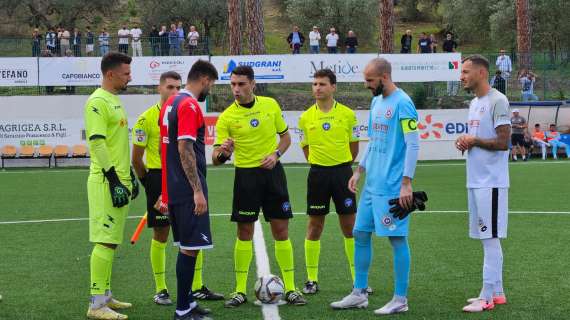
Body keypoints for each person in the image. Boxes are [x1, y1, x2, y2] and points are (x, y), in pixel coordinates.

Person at [331, 57, 420, 315]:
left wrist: (406, 182)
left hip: (393, 186)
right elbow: (373, 139)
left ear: (384, 77)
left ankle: (400, 299)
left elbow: (413, 144)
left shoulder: (404, 103)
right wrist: (359, 170)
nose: (367, 85)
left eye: (370, 80)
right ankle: (359, 293)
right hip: (372, 185)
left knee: (396, 238)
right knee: (359, 233)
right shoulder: (375, 102)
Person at [212, 65, 307, 307]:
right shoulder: (226, 118)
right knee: (244, 233)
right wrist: (224, 152)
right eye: (233, 84)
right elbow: (216, 159)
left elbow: (285, 138)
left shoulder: (270, 105)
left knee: (281, 231)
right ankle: (239, 290)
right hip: (245, 177)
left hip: (273, 175)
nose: (236, 89)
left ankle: (292, 288)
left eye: (241, 84)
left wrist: (275, 154)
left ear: (253, 84)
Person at [132, 70, 224, 307]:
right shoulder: (151, 117)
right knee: (165, 236)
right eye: (169, 87)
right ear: (159, 89)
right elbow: (141, 157)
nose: (173, 91)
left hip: (172, 180)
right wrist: (152, 186)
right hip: (164, 179)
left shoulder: (172, 108)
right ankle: (162, 289)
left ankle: (195, 289)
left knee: (191, 241)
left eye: (176, 87)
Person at [158, 60, 219, 320]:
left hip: (173, 188)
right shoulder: (190, 104)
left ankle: (188, 303)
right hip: (186, 189)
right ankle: (183, 309)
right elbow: (183, 148)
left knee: (186, 245)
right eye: (212, 84)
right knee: (189, 248)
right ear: (204, 79)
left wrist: (165, 191)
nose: (210, 90)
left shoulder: (169, 103)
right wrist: (197, 190)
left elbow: (165, 150)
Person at [84, 52, 139, 320]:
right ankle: (96, 305)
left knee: (112, 242)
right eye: (126, 73)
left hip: (119, 180)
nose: (130, 77)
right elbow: (97, 143)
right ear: (110, 74)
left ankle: (105, 296)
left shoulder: (114, 100)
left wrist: (129, 175)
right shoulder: (97, 101)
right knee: (105, 242)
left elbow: (116, 145)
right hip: (106, 183)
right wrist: (115, 181)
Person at [455, 55, 510, 313]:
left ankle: (486, 296)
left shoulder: (498, 101)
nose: (461, 76)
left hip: (492, 182)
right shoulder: (475, 103)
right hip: (476, 180)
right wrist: (466, 141)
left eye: (466, 72)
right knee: (485, 237)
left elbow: (502, 143)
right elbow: (478, 138)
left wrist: (474, 140)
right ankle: (497, 292)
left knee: (489, 239)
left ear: (481, 73)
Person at [298, 69, 360, 295]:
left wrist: (342, 166)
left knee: (350, 227)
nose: (317, 88)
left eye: (322, 84)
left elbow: (354, 146)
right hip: (317, 175)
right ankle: (311, 279)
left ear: (333, 87)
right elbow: (305, 147)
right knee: (315, 226)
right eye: (314, 84)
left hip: (343, 174)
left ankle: (358, 279)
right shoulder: (306, 117)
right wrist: (320, 164)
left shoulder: (347, 114)